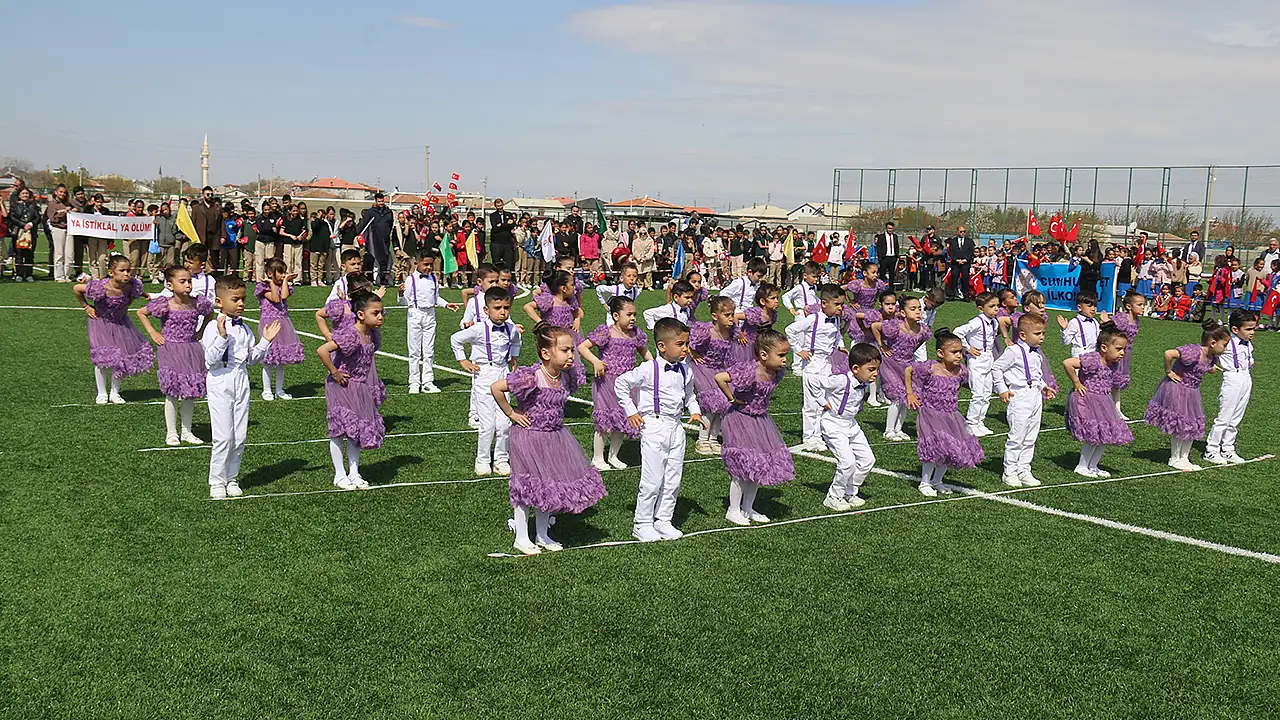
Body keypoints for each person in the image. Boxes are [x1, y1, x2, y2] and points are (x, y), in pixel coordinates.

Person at [492, 323, 604, 555]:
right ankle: (522, 537)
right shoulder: (532, 377)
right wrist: (512, 413)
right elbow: (496, 388)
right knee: (526, 487)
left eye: (572, 350)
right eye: (565, 350)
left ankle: (542, 534)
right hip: (529, 437)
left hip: (554, 437)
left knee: (548, 487)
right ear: (546, 353)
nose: (571, 355)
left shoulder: (565, 377)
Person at [614, 317, 704, 541]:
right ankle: (642, 523)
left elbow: (690, 395)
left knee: (673, 477)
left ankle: (663, 519)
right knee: (652, 479)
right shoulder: (648, 368)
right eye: (680, 344)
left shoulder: (686, 370)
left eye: (687, 344)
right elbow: (621, 383)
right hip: (654, 426)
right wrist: (631, 411)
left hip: (676, 427)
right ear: (662, 346)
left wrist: (695, 411)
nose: (685, 349)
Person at [203, 275, 280, 499]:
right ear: (219, 302)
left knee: (239, 435)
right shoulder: (213, 327)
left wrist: (265, 341)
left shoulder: (245, 328)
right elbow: (210, 361)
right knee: (223, 436)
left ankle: (232, 478)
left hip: (241, 379)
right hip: (220, 380)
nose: (241, 304)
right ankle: (217, 481)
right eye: (235, 299)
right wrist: (222, 337)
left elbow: (251, 359)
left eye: (243, 299)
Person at [715, 329, 794, 525]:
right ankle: (733, 510)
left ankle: (748, 507)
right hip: (740, 420)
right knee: (742, 466)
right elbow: (720, 378)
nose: (785, 359)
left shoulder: (776, 372)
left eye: (786, 354)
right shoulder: (749, 371)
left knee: (758, 465)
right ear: (764, 355)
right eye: (781, 355)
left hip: (759, 421)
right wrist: (731, 398)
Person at [137, 266, 215, 446]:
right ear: (170, 285)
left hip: (191, 350)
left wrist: (201, 331)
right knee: (172, 391)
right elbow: (141, 313)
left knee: (190, 391)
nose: (188, 285)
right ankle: (171, 432)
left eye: (189, 281)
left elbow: (210, 312)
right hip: (170, 350)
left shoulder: (197, 302)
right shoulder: (165, 303)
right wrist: (153, 333)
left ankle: (187, 431)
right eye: (183, 281)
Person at [317, 290, 386, 491]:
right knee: (339, 430)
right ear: (361, 315)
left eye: (381, 312)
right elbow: (322, 350)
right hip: (342, 386)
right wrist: (335, 372)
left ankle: (354, 472)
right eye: (375, 313)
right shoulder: (351, 335)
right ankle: (339, 474)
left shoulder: (371, 333)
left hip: (360, 387)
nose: (380, 317)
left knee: (357, 430)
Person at [904, 329, 985, 496]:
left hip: (950, 415)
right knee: (934, 447)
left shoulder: (961, 371)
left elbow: (960, 385)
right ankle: (925, 482)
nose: (959, 356)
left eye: (960, 352)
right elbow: (908, 370)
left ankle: (937, 480)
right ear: (941, 353)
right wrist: (910, 393)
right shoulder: (930, 368)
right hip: (930, 413)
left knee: (949, 448)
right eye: (954, 352)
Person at [453, 287, 522, 476]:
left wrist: (513, 357)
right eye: (497, 308)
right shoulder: (478, 329)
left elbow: (516, 341)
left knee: (504, 422)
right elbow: (456, 339)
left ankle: (501, 459)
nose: (502, 312)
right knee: (488, 423)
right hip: (484, 374)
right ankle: (482, 459)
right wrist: (463, 360)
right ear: (486, 310)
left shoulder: (511, 328)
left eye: (506, 308)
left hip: (503, 373)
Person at [1144, 320, 1231, 471]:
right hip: (1178, 388)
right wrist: (1169, 371)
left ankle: (1184, 457)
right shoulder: (1193, 352)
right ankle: (1175, 458)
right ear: (1212, 343)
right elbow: (1169, 353)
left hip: (1192, 391)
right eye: (1224, 345)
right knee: (1180, 423)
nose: (1226, 348)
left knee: (1192, 423)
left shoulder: (1212, 356)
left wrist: (1210, 368)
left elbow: (1205, 366)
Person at [578, 296, 652, 471]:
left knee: (622, 418)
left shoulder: (635, 334)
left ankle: (613, 455)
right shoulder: (606, 332)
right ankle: (598, 457)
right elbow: (582, 347)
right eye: (629, 314)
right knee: (604, 420)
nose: (633, 318)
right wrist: (596, 361)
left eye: (635, 314)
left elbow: (644, 352)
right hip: (606, 382)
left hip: (627, 384)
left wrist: (654, 366)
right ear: (616, 316)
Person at [74, 255, 155, 404]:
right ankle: (101, 393)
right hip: (101, 322)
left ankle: (114, 392)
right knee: (103, 357)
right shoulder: (101, 287)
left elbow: (134, 294)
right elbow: (77, 289)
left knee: (122, 357)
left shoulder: (132, 285)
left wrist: (141, 296)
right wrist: (86, 307)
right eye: (122, 270)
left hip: (120, 323)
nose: (126, 274)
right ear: (111, 272)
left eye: (128, 270)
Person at [994, 313, 1057, 487]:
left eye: (1043, 333)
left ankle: (1024, 469)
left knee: (1031, 436)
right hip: (1019, 397)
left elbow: (1036, 374)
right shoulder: (1013, 351)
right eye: (1037, 334)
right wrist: (1002, 389)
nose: (1042, 337)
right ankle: (1010, 472)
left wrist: (1044, 386)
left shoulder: (1036, 354)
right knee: (1017, 436)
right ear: (1023, 335)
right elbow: (996, 368)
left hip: (1035, 396)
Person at [1063, 322, 1132, 478]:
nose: (1122, 353)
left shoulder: (1113, 363)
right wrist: (1077, 383)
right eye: (1118, 349)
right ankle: (1082, 466)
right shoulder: (1093, 359)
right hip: (1087, 400)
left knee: (1105, 434)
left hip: (1103, 400)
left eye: (1124, 349)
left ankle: (1093, 465)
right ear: (1104, 348)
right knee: (1093, 434)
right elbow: (1068, 363)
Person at [818, 343, 881, 511]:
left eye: (877, 369)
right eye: (871, 369)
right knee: (847, 462)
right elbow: (813, 382)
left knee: (868, 460)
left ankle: (850, 492)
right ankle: (833, 497)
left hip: (851, 425)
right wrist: (822, 401)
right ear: (855, 369)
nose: (876, 373)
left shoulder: (863, 381)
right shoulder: (841, 380)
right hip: (833, 424)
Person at [784, 284, 847, 451]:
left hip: (828, 362)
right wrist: (799, 350)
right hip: (813, 362)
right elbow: (790, 330)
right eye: (837, 304)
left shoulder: (836, 319)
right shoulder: (814, 318)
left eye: (841, 304)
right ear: (824, 303)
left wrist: (840, 346)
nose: (840, 308)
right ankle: (809, 437)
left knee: (824, 399)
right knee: (811, 401)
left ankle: (819, 434)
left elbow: (837, 334)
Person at [870, 295, 931, 442]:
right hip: (890, 363)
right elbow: (875, 326)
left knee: (907, 397)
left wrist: (909, 353)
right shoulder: (895, 326)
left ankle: (899, 428)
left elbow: (917, 343)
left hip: (907, 365)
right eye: (913, 309)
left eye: (919, 308)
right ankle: (889, 430)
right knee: (897, 396)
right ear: (903, 312)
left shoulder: (922, 330)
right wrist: (882, 345)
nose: (918, 311)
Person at [399, 254, 461, 395]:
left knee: (429, 350)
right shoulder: (411, 279)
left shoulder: (433, 278)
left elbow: (435, 297)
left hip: (430, 315)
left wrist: (446, 304)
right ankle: (414, 382)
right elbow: (404, 302)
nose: (429, 268)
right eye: (425, 264)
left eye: (431, 265)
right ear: (417, 263)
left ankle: (427, 381)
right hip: (415, 314)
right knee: (414, 351)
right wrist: (401, 294)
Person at [687, 296, 739, 456]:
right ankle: (702, 440)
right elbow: (688, 342)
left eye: (732, 314)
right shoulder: (706, 331)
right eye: (727, 315)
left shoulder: (731, 331)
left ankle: (713, 438)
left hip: (719, 369)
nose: (731, 318)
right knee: (710, 405)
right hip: (703, 368)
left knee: (724, 404)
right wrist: (693, 354)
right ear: (715, 316)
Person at [1204, 311, 1257, 465]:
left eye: (1253, 328)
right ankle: (1211, 449)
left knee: (1236, 417)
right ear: (1235, 330)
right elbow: (1209, 351)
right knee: (1224, 417)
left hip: (1246, 378)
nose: (1252, 332)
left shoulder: (1247, 343)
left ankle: (1227, 448)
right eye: (1248, 329)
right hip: (1232, 379)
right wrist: (1210, 364)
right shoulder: (1227, 343)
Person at [255, 258, 306, 400]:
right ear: (270, 274)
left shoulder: (284, 286)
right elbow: (276, 299)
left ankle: (279, 389)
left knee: (281, 360)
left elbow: (283, 296)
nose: (284, 275)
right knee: (268, 360)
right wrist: (271, 283)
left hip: (283, 323)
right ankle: (266, 390)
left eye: (285, 273)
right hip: (269, 324)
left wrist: (285, 281)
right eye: (281, 273)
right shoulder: (263, 287)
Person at [526, 270, 587, 386]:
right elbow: (528, 307)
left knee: (570, 362)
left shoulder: (570, 301)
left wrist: (576, 320)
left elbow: (578, 313)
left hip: (568, 337)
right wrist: (540, 322)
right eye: (572, 285)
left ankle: (566, 386)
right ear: (563, 288)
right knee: (552, 362)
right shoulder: (549, 300)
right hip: (552, 339)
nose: (574, 288)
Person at [954, 292, 1002, 437]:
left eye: (997, 305)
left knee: (987, 393)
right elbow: (957, 332)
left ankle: (980, 421)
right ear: (981, 308)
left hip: (989, 358)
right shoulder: (976, 322)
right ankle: (971, 423)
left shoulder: (994, 322)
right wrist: (967, 348)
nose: (996, 309)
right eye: (992, 306)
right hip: (976, 360)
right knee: (978, 394)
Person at [1110, 290, 1146, 419]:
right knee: (1110, 379)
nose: (1143, 307)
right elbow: (1109, 331)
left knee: (1117, 382)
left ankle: (1116, 409)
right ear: (1129, 306)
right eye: (1139, 304)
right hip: (1116, 352)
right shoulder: (1122, 318)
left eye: (1143, 304)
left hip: (1126, 353)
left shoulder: (1136, 320)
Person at [360, 193, 395, 285]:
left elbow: (390, 224)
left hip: (385, 239)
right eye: (379, 201)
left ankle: (383, 278)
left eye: (382, 201)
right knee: (374, 259)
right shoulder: (370, 212)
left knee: (384, 259)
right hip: (374, 240)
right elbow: (366, 226)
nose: (381, 203)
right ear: (376, 201)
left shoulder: (389, 212)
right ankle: (373, 278)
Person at [7, 187, 41, 282]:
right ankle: (19, 274)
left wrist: (31, 224)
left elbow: (38, 217)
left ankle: (29, 274)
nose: (25, 195)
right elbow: (12, 217)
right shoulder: (14, 205)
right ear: (19, 195)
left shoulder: (33, 206)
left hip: (31, 232)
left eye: (27, 193)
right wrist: (23, 225)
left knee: (29, 254)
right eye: (23, 193)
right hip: (18, 232)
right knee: (18, 254)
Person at [1058, 291, 1106, 357]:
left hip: (1095, 353)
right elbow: (1066, 342)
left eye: (1095, 306)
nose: (1093, 309)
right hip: (1080, 355)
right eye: (1089, 306)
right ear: (1079, 307)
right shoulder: (1074, 322)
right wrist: (1064, 329)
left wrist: (1104, 325)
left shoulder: (1094, 321)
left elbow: (1100, 337)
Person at [45, 184, 74, 282]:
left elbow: (77, 210)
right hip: (58, 229)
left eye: (64, 192)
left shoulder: (68, 203)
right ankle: (59, 276)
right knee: (59, 253)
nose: (63, 194)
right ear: (56, 192)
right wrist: (63, 212)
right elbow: (53, 218)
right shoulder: (52, 204)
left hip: (69, 229)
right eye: (61, 192)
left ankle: (67, 275)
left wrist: (73, 209)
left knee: (69, 254)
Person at [191, 187, 222, 254]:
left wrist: (223, 236)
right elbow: (193, 223)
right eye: (208, 194)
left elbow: (221, 223)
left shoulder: (217, 208)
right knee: (202, 255)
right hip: (201, 236)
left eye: (211, 194)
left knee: (214, 257)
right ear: (203, 195)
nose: (210, 196)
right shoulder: (196, 208)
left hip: (214, 237)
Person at [488, 198, 516, 272]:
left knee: (508, 263)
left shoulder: (508, 214)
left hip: (507, 243)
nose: (500, 207)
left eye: (501, 205)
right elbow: (495, 228)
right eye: (498, 206)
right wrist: (506, 225)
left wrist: (501, 225)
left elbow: (512, 225)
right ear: (495, 206)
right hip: (496, 243)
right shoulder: (493, 215)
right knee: (496, 263)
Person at [947, 225, 975, 300]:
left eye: (964, 231)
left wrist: (966, 260)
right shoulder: (953, 241)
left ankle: (966, 296)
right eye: (961, 231)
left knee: (965, 279)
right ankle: (952, 295)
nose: (963, 233)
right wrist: (956, 260)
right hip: (955, 264)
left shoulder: (969, 241)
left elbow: (971, 252)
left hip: (965, 264)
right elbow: (951, 252)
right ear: (957, 232)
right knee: (954, 279)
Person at [309, 207, 333, 286]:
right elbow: (314, 227)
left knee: (321, 265)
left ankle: (320, 279)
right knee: (313, 265)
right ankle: (313, 280)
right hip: (315, 247)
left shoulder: (326, 224)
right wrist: (318, 218)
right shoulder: (314, 222)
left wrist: (326, 248)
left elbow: (327, 235)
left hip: (323, 248)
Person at [874, 222, 901, 287]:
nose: (890, 230)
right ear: (886, 228)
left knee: (892, 274)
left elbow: (896, 246)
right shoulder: (881, 237)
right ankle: (881, 287)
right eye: (889, 228)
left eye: (891, 228)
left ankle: (891, 288)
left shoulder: (895, 236)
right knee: (882, 274)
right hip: (884, 258)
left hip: (893, 257)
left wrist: (896, 255)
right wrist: (880, 257)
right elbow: (879, 247)